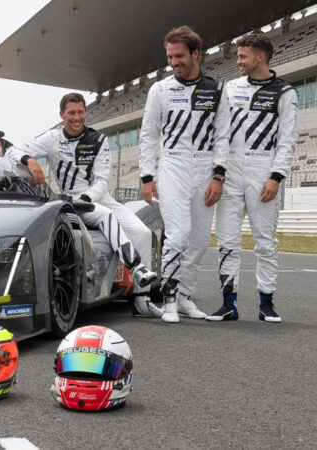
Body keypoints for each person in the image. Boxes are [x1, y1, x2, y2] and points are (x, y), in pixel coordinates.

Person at [8, 93, 159, 312]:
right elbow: (13, 150)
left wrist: (86, 199)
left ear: (85, 113)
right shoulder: (51, 138)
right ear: (62, 115)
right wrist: (29, 161)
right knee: (104, 216)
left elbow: (102, 181)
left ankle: (142, 300)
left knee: (143, 233)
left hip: (96, 197)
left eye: (80, 112)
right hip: (69, 200)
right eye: (71, 113)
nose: (76, 117)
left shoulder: (99, 140)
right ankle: (136, 267)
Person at [139, 25, 230, 323]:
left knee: (200, 239)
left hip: (205, 168)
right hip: (173, 165)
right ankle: (167, 298)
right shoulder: (160, 89)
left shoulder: (217, 89)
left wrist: (218, 177)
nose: (174, 62)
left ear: (195, 53)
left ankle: (185, 298)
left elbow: (222, 137)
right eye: (170, 57)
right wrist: (146, 176)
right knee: (177, 236)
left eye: (179, 56)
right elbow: (148, 135)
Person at [207, 34, 297, 323]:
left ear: (261, 57)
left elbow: (287, 140)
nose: (238, 61)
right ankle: (228, 303)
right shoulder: (230, 88)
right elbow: (219, 130)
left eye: (243, 56)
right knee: (227, 240)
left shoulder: (285, 93)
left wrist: (276, 177)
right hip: (230, 169)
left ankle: (266, 303)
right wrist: (218, 171)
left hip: (263, 167)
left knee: (264, 241)